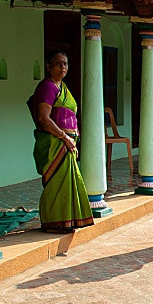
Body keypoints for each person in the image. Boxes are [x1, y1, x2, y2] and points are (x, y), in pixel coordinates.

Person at [28, 50, 93, 233]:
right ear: (48, 66)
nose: (63, 66)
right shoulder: (47, 87)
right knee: (57, 183)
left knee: (69, 183)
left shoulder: (62, 87)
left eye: (65, 63)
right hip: (55, 143)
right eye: (58, 63)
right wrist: (65, 138)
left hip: (67, 143)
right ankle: (54, 221)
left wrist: (74, 138)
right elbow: (43, 118)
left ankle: (66, 220)